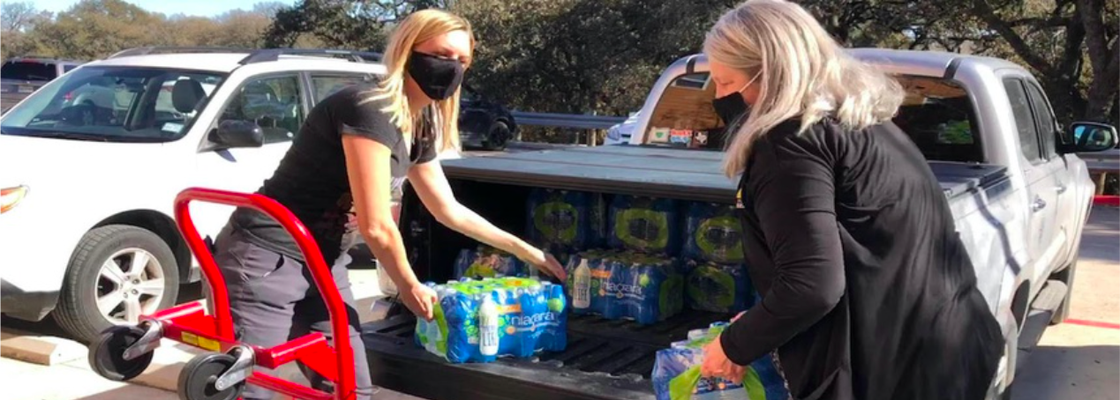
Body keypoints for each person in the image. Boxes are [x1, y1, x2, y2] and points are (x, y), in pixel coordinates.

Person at [211, 9, 566, 400]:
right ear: (408, 50)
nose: (452, 69)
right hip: (267, 256)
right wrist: (407, 284)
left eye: (462, 61)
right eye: (442, 55)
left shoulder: (422, 122)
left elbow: (447, 209)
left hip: (324, 261)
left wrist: (528, 251)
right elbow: (376, 223)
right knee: (254, 389)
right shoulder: (369, 107)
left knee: (351, 387)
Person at [696, 1, 1004, 400]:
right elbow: (855, 254)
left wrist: (732, 346)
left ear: (769, 75)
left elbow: (812, 285)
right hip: (950, 349)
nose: (719, 98)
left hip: (896, 374)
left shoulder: (790, 144)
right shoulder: (864, 124)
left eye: (724, 82)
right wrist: (763, 321)